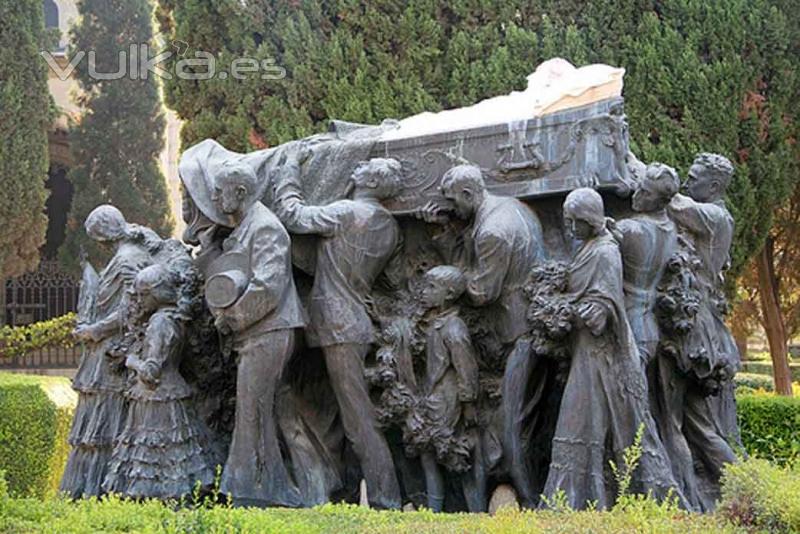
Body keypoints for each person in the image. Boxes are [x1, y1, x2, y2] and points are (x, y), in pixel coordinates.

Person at [541, 188, 685, 510]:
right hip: (585, 353)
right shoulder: (591, 245)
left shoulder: (605, 253)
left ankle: (577, 501)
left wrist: (568, 309)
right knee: (582, 425)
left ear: (588, 220)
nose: (569, 227)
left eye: (574, 221)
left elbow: (603, 311)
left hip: (600, 358)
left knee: (578, 424)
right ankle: (580, 499)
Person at [274, 157, 404, 509]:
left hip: (338, 324)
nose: (355, 169)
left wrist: (288, 175)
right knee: (344, 412)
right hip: (352, 321)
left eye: (365, 167)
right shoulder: (389, 226)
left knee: (358, 418)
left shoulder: (347, 212)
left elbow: (293, 215)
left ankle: (386, 499)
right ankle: (340, 487)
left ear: (373, 182)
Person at [416, 164, 546, 507]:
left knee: (511, 424)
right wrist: (448, 233)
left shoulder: (492, 232)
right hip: (526, 327)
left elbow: (480, 291)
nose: (451, 208)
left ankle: (532, 501)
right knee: (515, 419)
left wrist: (445, 278)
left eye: (453, 202)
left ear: (469, 195)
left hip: (516, 332)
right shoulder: (515, 208)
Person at [209, 161, 307, 507]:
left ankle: (257, 492)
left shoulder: (265, 227)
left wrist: (231, 319)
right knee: (255, 411)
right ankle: (261, 487)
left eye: (219, 191)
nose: (214, 197)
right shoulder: (248, 226)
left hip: (270, 330)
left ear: (240, 192)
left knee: (254, 410)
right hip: (259, 332)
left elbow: (268, 286)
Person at [61, 206, 155, 498]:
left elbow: (131, 309)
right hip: (110, 351)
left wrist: (95, 330)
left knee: (106, 418)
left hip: (111, 354)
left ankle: (97, 489)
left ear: (102, 235)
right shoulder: (132, 254)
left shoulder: (127, 260)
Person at [103, 264, 219, 499]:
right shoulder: (175, 318)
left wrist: (131, 360)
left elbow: (151, 372)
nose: (139, 300)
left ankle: (158, 504)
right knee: (173, 456)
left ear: (157, 293)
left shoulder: (160, 323)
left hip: (156, 398)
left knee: (158, 454)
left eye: (144, 294)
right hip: (171, 394)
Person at [667, 153, 740, 506]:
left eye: (693, 177)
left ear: (713, 186)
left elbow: (672, 202)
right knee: (692, 421)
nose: (686, 181)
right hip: (696, 323)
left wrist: (623, 158)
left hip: (697, 329)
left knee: (696, 422)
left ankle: (741, 488)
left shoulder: (712, 216)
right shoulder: (710, 213)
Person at [417, 265, 485, 512]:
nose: (423, 292)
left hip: (447, 399)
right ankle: (435, 508)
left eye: (431, 287)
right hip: (433, 396)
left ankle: (468, 509)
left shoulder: (454, 328)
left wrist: (467, 403)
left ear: (449, 294)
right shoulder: (435, 323)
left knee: (448, 453)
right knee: (429, 452)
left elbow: (466, 369)